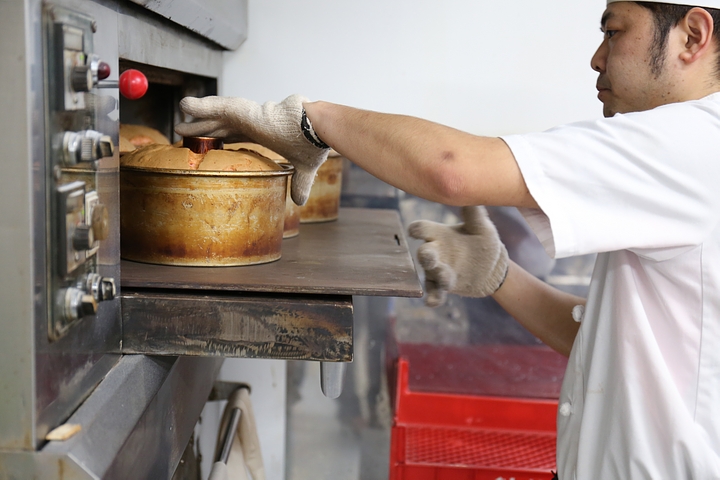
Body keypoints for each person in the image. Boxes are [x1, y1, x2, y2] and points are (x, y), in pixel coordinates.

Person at [175, 0, 720, 477]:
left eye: (613, 30)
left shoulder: (691, 144)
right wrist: (500, 275)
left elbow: (452, 171)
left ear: (692, 36)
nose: (597, 58)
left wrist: (308, 121)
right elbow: (608, 346)